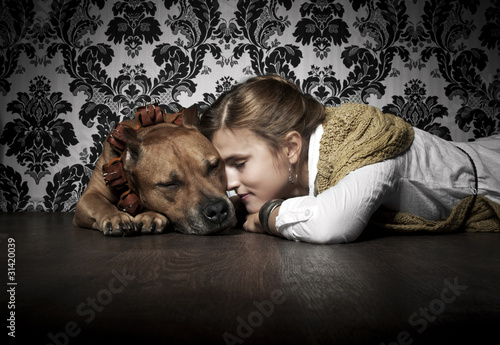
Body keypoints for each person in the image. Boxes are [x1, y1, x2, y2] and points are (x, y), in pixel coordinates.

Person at [197, 74, 500, 244]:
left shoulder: (365, 135)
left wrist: (267, 217)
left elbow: (331, 224)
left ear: (290, 148)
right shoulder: (294, 170)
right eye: (223, 168)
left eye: (239, 163)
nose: (230, 183)